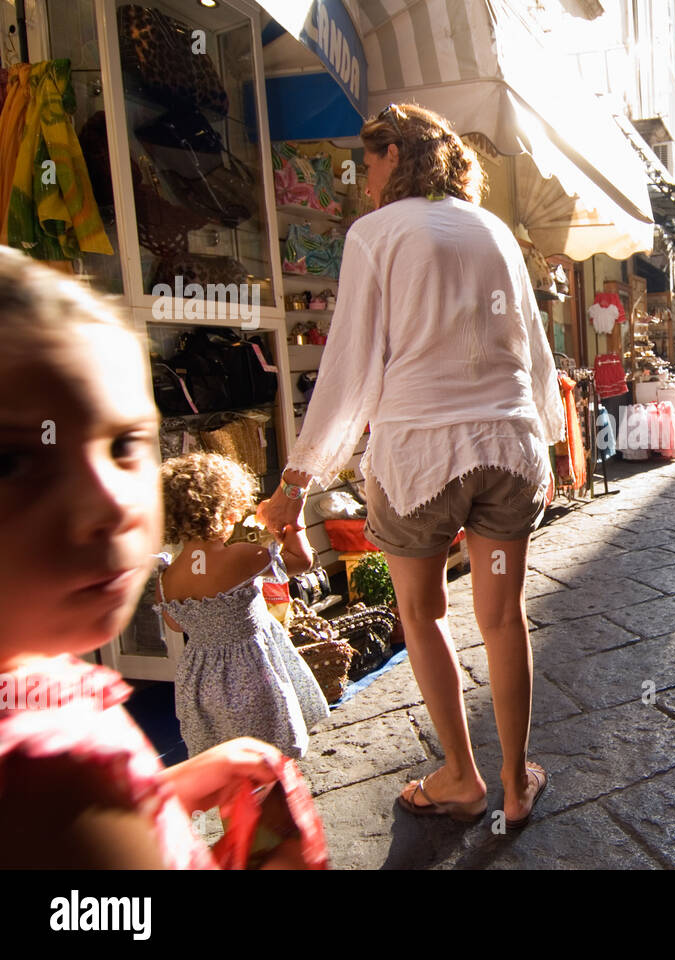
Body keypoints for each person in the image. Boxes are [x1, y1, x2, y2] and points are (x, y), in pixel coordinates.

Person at [257, 103, 562, 828]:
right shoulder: (495, 231)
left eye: (367, 160)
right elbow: (532, 347)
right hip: (504, 453)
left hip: (420, 461)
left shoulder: (375, 234)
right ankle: (516, 783)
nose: (362, 177)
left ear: (394, 154)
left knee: (421, 615)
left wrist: (298, 480)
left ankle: (461, 775)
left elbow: (350, 368)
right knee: (502, 617)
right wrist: (547, 430)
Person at [0, 248, 317, 868]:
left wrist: (160, 792)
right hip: (252, 676)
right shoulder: (58, 771)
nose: (107, 502)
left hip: (201, 688)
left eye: (123, 445)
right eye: (12, 461)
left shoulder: (43, 706)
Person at [157, 452, 328, 760]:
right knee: (270, 754)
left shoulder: (168, 577)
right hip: (252, 672)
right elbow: (301, 562)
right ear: (230, 511)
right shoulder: (241, 556)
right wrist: (292, 524)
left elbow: (175, 623)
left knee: (229, 761)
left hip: (200, 682)